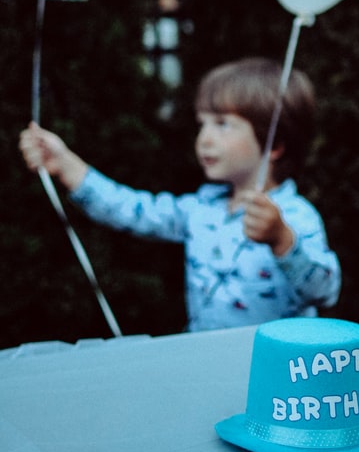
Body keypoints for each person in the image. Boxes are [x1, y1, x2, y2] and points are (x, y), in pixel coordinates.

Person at [19, 57, 341, 332]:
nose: (204, 138)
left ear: (275, 145)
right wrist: (65, 165)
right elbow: (132, 211)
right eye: (202, 124)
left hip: (272, 381)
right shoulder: (199, 208)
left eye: (222, 124)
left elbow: (326, 290)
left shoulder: (295, 216)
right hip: (205, 368)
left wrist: (282, 240)